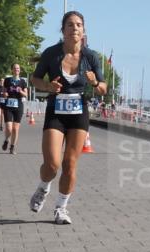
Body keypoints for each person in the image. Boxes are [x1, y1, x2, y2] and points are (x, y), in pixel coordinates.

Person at [29, 11, 106, 225]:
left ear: (84, 30)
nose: (75, 28)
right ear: (63, 30)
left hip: (78, 111)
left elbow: (103, 88)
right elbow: (35, 79)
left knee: (70, 164)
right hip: (56, 110)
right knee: (52, 165)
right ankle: (43, 187)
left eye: (79, 25)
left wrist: (94, 82)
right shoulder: (51, 53)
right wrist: (48, 86)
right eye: (70, 25)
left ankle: (61, 208)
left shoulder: (91, 57)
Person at [1, 64, 28, 154]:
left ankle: (12, 147)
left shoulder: (23, 81)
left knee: (15, 129)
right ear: (12, 70)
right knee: (9, 128)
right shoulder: (7, 80)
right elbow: (4, 92)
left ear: (20, 70)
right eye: (15, 68)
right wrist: (5, 94)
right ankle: (6, 140)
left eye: (18, 68)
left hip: (18, 105)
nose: (16, 69)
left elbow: (26, 94)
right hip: (8, 105)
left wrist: (20, 91)